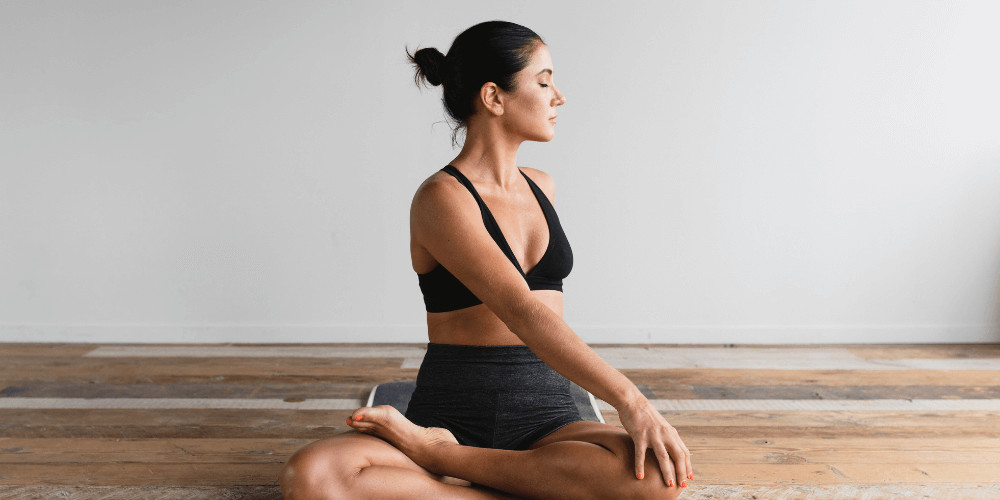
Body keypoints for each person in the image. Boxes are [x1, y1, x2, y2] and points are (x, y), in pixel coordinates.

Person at [280, 20, 692, 499]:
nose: (558, 97)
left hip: (548, 416)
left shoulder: (544, 187)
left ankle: (444, 461)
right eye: (543, 82)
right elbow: (523, 311)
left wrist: (440, 459)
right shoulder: (441, 198)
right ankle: (519, 478)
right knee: (312, 477)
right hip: (451, 412)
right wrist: (631, 400)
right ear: (494, 97)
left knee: (661, 479)